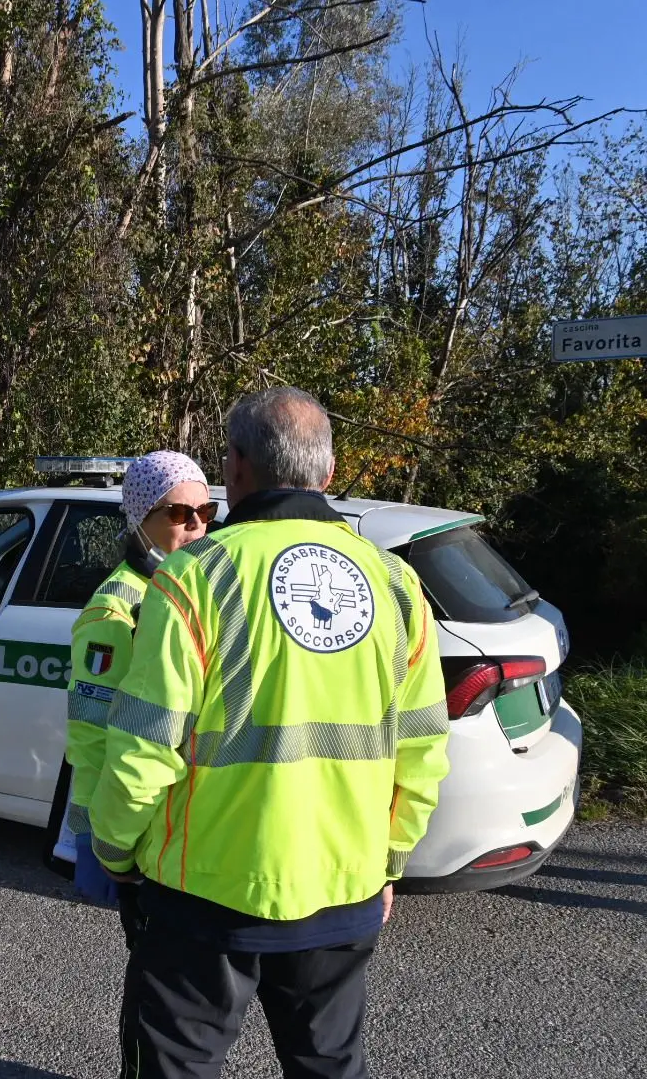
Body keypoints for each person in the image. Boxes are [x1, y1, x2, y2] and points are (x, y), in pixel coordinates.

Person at [89, 387, 451, 1079]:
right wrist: (389, 859)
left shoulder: (195, 578)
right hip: (345, 889)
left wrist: (112, 849)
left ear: (237, 468)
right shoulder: (398, 585)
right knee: (328, 1068)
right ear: (330, 473)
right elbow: (424, 749)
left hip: (206, 897)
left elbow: (143, 747)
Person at [66, 451, 215, 941]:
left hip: (186, 833)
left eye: (207, 511)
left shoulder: (198, 589)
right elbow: (90, 734)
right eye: (179, 513)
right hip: (141, 832)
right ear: (140, 520)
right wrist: (94, 837)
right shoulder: (115, 609)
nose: (197, 526)